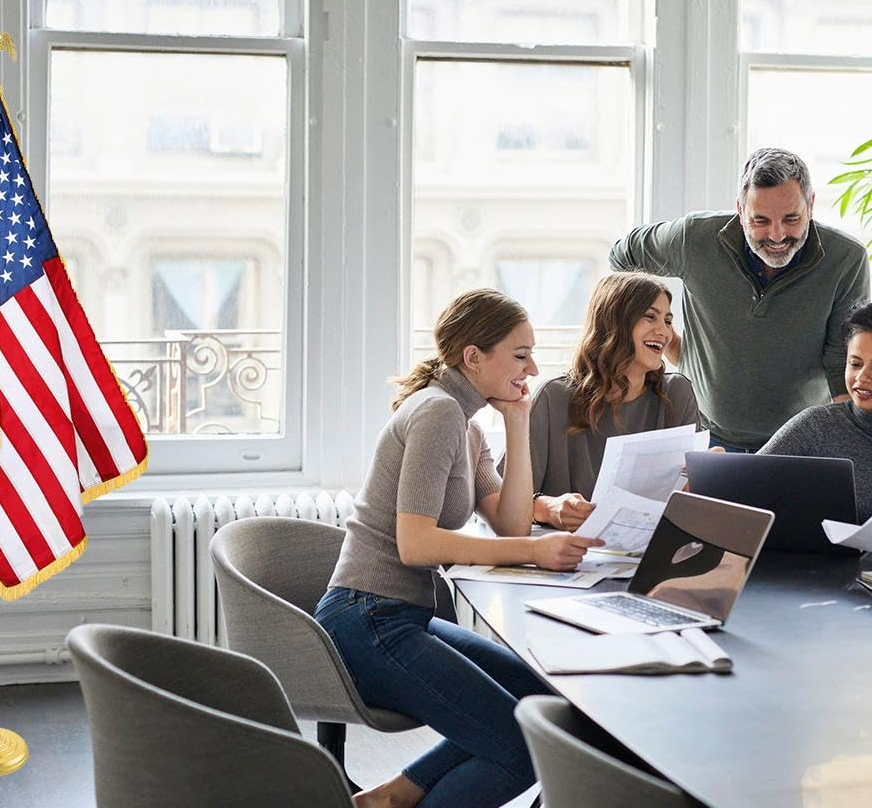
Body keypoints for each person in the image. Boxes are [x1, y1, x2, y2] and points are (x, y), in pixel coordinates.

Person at [313, 288, 603, 808]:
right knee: (519, 746)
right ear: (474, 357)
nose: (533, 368)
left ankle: (393, 796)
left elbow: (512, 525)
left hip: (400, 616)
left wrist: (517, 423)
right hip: (367, 619)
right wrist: (537, 553)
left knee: (545, 703)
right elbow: (416, 543)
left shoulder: (467, 425)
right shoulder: (438, 413)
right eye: (520, 355)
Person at [609, 147, 870, 452]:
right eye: (760, 220)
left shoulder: (846, 259)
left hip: (797, 445)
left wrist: (847, 452)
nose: (776, 235)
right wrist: (661, 331)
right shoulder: (694, 239)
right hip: (704, 435)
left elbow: (842, 366)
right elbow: (622, 255)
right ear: (740, 209)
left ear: (810, 205)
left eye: (791, 218)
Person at [510, 272, 700, 531]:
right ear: (615, 323)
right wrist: (548, 508)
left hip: (651, 548)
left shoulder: (677, 393)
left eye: (668, 321)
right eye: (650, 317)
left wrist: (705, 477)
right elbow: (500, 501)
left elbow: (685, 501)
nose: (664, 332)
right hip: (566, 554)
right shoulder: (554, 398)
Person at [758, 301, 872, 522]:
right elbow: (744, 487)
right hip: (816, 555)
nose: (862, 378)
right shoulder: (815, 425)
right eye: (855, 364)